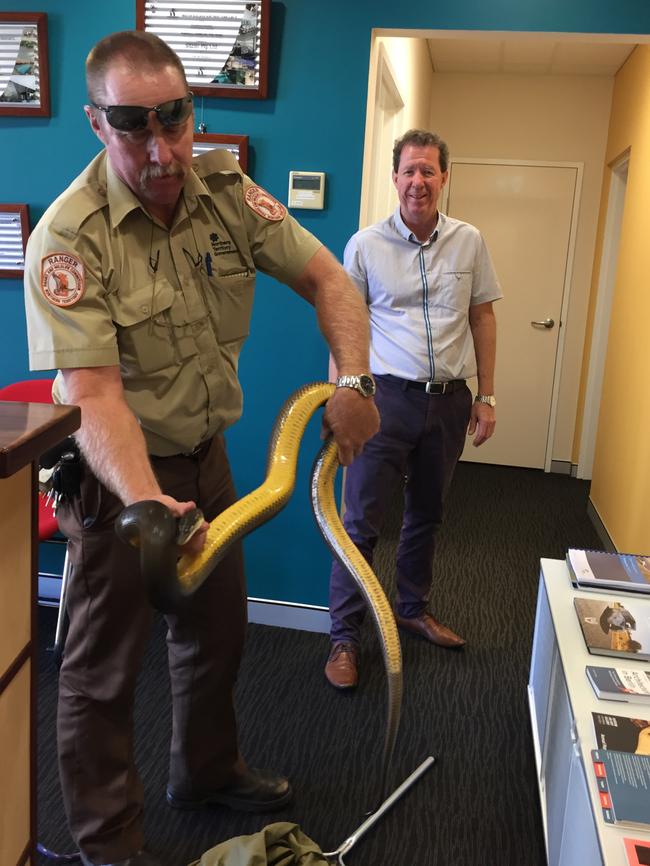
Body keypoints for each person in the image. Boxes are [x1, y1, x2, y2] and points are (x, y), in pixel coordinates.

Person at [24, 30, 379, 866]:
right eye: (134, 125)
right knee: (102, 671)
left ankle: (205, 772)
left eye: (175, 119)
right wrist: (147, 503)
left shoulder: (225, 187)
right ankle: (109, 844)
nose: (161, 147)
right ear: (95, 123)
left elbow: (330, 279)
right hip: (118, 484)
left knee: (218, 631)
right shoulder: (68, 240)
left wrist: (357, 383)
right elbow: (96, 397)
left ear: (193, 111)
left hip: (208, 459)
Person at [324, 128, 502, 690]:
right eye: (409, 171)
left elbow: (482, 319)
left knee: (426, 514)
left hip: (449, 403)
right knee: (359, 524)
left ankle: (411, 610)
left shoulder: (469, 241)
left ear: (444, 177)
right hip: (385, 401)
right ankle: (345, 639)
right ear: (394, 178)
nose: (418, 182)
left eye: (428, 171)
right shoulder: (365, 245)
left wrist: (488, 396)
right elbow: (343, 326)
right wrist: (341, 400)